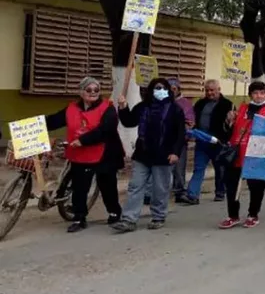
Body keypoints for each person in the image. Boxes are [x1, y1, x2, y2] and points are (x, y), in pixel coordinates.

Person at [42, 77, 124, 232]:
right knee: (79, 187)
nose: (93, 93)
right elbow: (53, 121)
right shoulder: (72, 108)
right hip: (80, 154)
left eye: (96, 90)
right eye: (89, 89)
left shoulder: (108, 108)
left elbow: (105, 129)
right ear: (81, 92)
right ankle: (79, 218)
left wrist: (83, 140)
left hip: (105, 153)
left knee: (107, 185)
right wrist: (32, 125)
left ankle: (114, 212)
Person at [112, 78, 188, 233]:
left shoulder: (175, 110)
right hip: (142, 154)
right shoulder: (143, 107)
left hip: (164, 155)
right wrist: (123, 107)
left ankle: (158, 216)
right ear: (151, 90)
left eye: (163, 88)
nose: (160, 91)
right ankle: (129, 219)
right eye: (157, 88)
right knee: (135, 186)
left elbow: (180, 134)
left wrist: (175, 152)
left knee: (160, 188)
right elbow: (129, 122)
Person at [218, 80, 265, 229]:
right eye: (255, 93)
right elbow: (229, 130)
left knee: (255, 186)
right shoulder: (242, 108)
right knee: (232, 186)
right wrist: (229, 120)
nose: (258, 96)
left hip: (256, 154)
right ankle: (233, 215)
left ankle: (253, 214)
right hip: (236, 153)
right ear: (250, 94)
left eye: (262, 93)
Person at [178, 79, 233, 205]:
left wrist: (229, 125)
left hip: (218, 143)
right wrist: (191, 126)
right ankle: (192, 195)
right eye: (207, 90)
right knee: (198, 168)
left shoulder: (227, 104)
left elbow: (231, 126)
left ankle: (220, 192)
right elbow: (193, 118)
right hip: (202, 141)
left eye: (212, 90)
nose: (209, 93)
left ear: (219, 90)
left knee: (220, 169)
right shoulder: (200, 103)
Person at [165, 78, 195, 203]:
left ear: (178, 89)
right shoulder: (161, 103)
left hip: (180, 140)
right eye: (169, 89)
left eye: (174, 89)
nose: (171, 91)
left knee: (179, 168)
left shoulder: (185, 103)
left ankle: (179, 192)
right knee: (162, 168)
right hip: (164, 141)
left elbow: (189, 122)